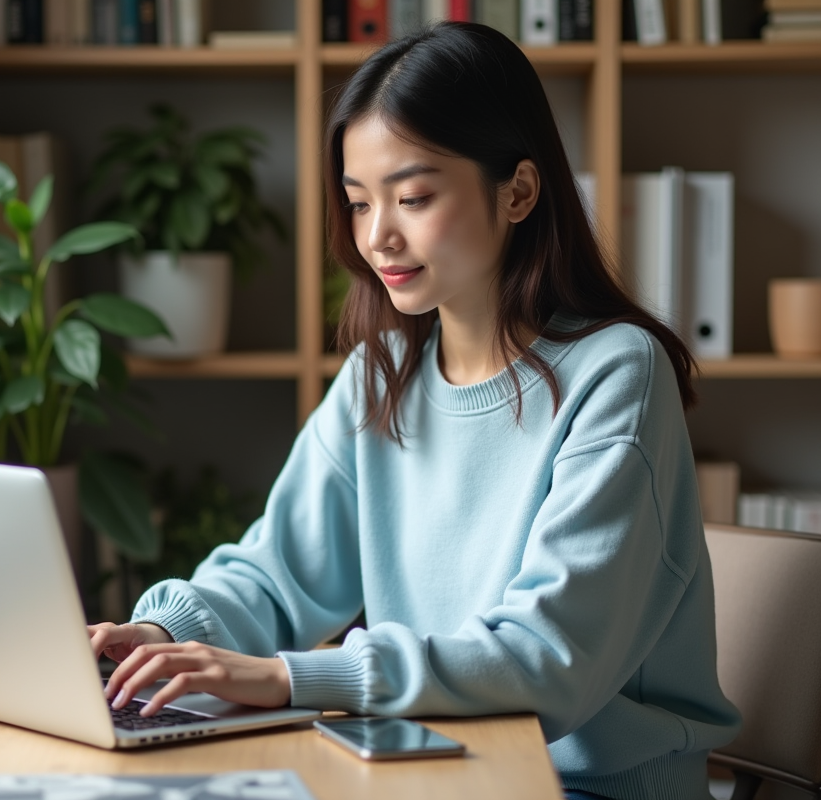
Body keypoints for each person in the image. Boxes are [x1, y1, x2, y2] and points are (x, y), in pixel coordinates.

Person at [89, 21, 740, 800]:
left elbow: (547, 660)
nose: (378, 237)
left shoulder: (616, 374)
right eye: (360, 203)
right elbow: (276, 575)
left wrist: (286, 677)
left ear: (520, 192)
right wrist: (164, 635)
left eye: (414, 197)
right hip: (436, 773)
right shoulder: (382, 374)